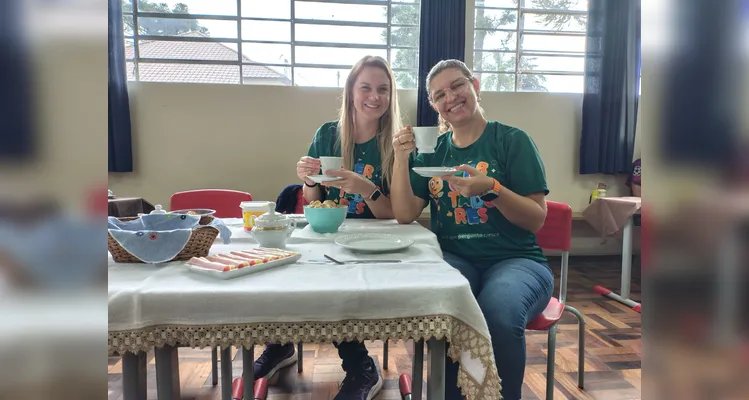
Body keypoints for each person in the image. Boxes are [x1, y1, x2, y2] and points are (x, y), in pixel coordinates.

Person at [390, 59, 554, 400]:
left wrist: (492, 187)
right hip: (455, 257)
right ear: (434, 106)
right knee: (442, 310)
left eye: (457, 86)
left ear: (475, 85)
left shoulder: (511, 141)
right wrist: (401, 158)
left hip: (518, 259)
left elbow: (536, 218)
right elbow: (404, 214)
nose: (450, 97)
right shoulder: (432, 152)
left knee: (498, 311)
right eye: (439, 95)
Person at [253, 55, 402, 400]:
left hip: (376, 238)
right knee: (284, 270)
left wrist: (364, 186)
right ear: (351, 91)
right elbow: (313, 199)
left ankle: (361, 367)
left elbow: (393, 213)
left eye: (383, 89)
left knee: (335, 283)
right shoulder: (328, 134)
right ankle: (280, 345)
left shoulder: (395, 144)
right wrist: (307, 179)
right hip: (329, 235)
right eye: (365, 87)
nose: (374, 96)